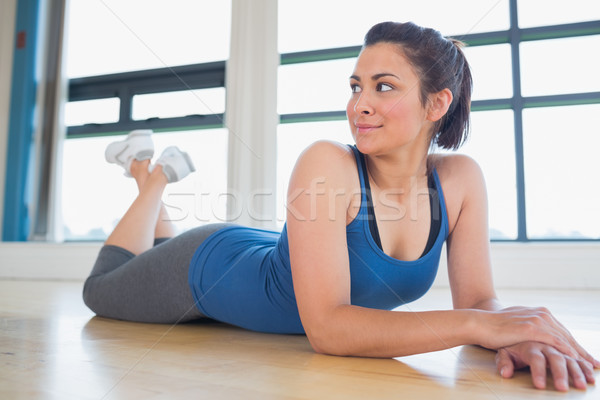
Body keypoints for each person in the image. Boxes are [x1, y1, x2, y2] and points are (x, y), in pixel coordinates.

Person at [83, 21, 599, 391]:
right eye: (356, 86)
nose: (360, 104)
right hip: (203, 267)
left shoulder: (461, 181)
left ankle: (151, 176)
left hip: (266, 257)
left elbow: (481, 301)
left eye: (384, 87)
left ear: (436, 104)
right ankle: (150, 178)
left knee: (149, 253)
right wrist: (478, 327)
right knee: (104, 285)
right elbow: (328, 328)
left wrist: (517, 335)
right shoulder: (327, 162)